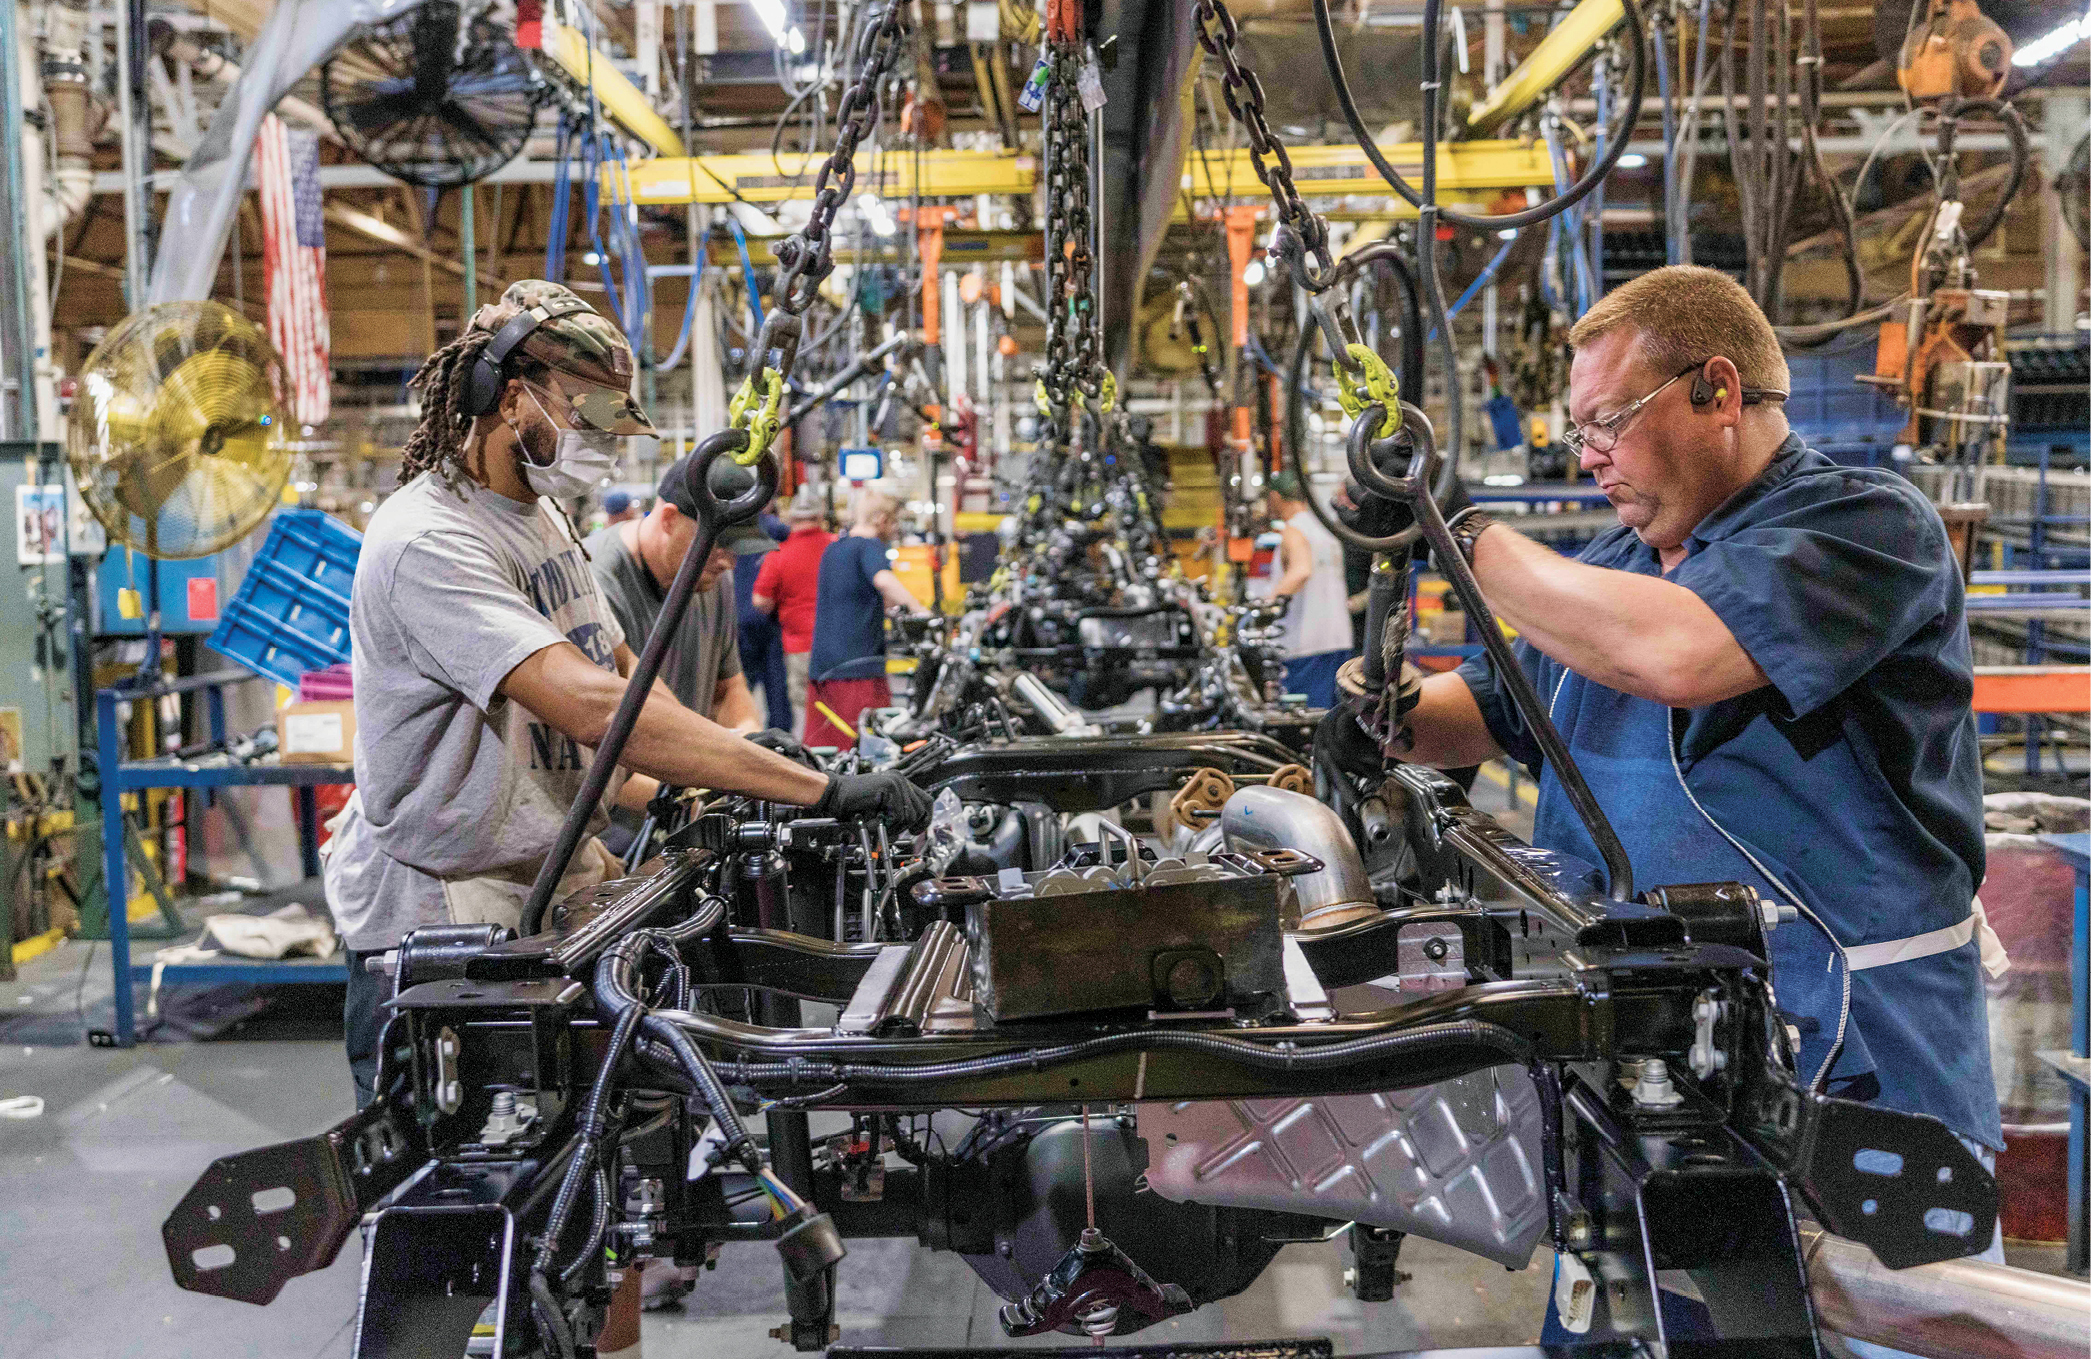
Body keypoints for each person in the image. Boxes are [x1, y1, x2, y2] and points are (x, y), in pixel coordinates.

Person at [1342, 266, 2004, 1302]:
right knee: (1661, 1313)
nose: (1592, 453)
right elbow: (1494, 704)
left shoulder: (1867, 528)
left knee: (1883, 1316)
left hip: (1851, 1060)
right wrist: (1389, 711)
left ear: (1719, 391)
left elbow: (1680, 656)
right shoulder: (1626, 558)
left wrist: (1459, 532)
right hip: (1651, 1061)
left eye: (1609, 418)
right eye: (1580, 431)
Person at [324, 281, 931, 1107]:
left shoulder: (542, 519)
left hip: (545, 877)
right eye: (587, 413)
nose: (605, 441)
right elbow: (596, 709)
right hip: (441, 909)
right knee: (460, 1199)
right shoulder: (427, 539)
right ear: (510, 398)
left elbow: (624, 674)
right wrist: (819, 787)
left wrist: (742, 758)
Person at [585, 453, 767, 734]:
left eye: (735, 549)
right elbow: (599, 735)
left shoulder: (712, 579)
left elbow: (727, 688)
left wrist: (750, 739)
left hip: (687, 767)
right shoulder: (595, 581)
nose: (728, 562)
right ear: (669, 519)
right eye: (718, 545)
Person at [803, 483, 922, 748]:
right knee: (869, 749)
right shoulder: (870, 546)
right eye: (894, 523)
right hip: (857, 668)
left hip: (823, 666)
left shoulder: (834, 549)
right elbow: (883, 580)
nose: (894, 530)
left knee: (828, 748)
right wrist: (921, 611)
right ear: (881, 519)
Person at [1259, 469, 1355, 708]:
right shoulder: (1325, 528)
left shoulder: (1294, 530)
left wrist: (1265, 607)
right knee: (1330, 720)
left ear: (1275, 497)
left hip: (1306, 644)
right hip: (1338, 640)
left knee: (1304, 725)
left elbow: (1301, 571)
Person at [752, 484, 835, 736]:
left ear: (791, 518)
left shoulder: (779, 555)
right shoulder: (836, 548)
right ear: (821, 517)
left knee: (806, 710)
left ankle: (813, 760)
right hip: (837, 644)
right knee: (837, 708)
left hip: (798, 646)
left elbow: (760, 601)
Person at [733, 499, 793, 732]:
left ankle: (742, 729)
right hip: (768, 617)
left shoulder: (732, 529)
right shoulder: (774, 528)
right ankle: (780, 734)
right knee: (775, 681)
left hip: (738, 617)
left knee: (740, 682)